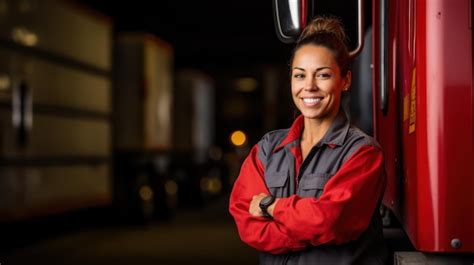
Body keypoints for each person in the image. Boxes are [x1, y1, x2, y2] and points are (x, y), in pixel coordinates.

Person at [229, 16, 388, 264]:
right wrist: (308, 228)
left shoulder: (363, 153)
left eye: (323, 75)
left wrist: (271, 205)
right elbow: (245, 220)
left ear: (345, 80)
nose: (309, 87)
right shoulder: (268, 149)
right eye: (300, 75)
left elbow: (330, 220)